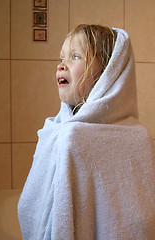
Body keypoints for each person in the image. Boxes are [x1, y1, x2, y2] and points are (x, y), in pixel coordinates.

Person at [18, 24, 155, 240]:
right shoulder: (57, 131)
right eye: (61, 58)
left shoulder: (73, 138)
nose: (61, 66)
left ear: (107, 73)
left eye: (75, 56)